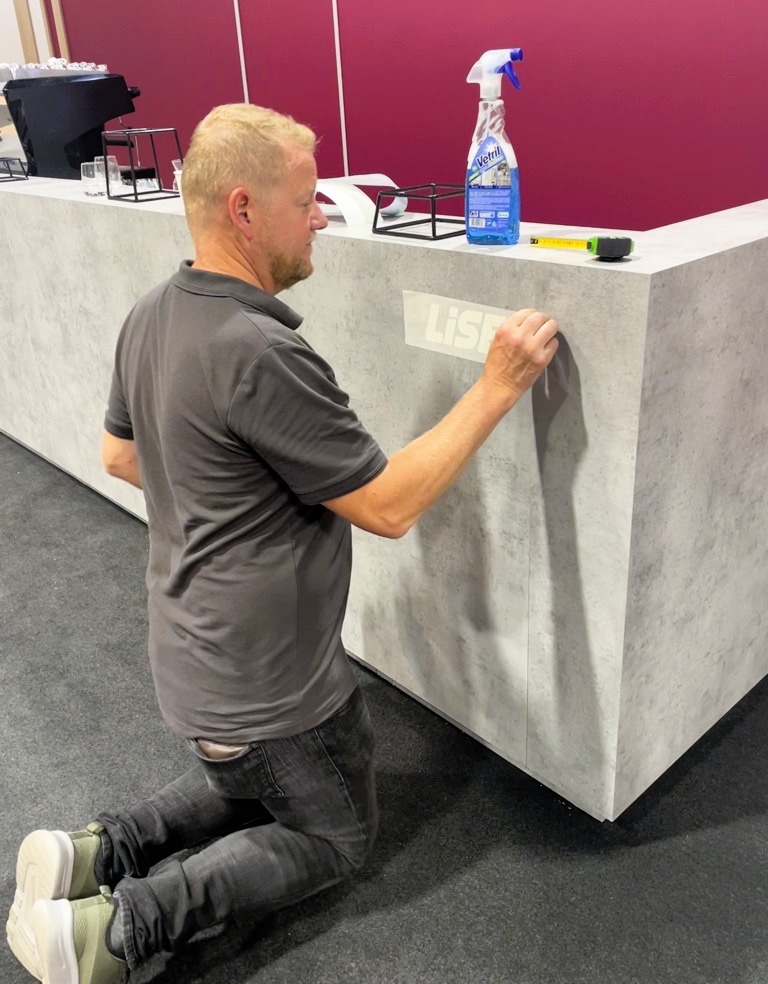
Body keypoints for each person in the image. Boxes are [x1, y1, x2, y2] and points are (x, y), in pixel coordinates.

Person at [6, 103, 558, 984]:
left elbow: (120, 455)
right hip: (271, 689)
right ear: (243, 210)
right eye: (306, 202)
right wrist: (499, 383)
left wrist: (234, 498)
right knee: (332, 833)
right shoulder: (259, 349)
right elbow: (388, 507)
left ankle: (99, 851)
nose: (322, 219)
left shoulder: (153, 312)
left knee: (251, 778)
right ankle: (120, 930)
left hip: (192, 660)